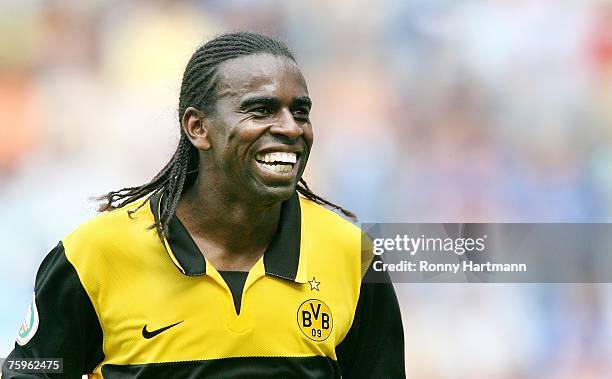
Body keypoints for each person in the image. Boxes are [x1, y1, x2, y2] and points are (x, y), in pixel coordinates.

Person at [2, 32, 405, 378]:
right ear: (198, 127)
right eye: (261, 110)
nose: (290, 127)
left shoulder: (354, 256)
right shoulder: (95, 255)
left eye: (300, 111)